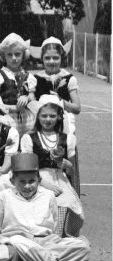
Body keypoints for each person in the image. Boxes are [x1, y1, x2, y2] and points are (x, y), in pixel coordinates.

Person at [0, 153, 94, 261]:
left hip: (45, 242)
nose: (27, 186)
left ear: (39, 180)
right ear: (13, 181)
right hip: (17, 244)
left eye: (32, 181)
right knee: (15, 240)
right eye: (22, 181)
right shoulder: (4, 196)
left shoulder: (48, 195)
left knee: (83, 249)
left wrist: (44, 244)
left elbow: (53, 223)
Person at [19, 95, 83, 237]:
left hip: (60, 179)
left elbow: (72, 173)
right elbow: (27, 168)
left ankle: (59, 238)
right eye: (44, 116)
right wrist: (46, 184)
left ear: (59, 117)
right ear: (38, 117)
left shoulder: (68, 139)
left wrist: (68, 166)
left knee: (65, 202)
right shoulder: (29, 138)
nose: (48, 119)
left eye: (52, 116)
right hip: (36, 178)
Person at [0, 33, 36, 137]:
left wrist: (27, 97)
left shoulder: (28, 76)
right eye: (9, 55)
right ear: (3, 56)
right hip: (7, 118)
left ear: (23, 55)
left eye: (17, 54)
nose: (14, 58)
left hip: (26, 120)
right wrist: (13, 108)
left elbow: (32, 99)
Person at [31, 37, 80, 136]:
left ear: (62, 58)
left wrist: (60, 101)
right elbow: (32, 105)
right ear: (42, 59)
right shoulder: (35, 79)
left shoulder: (69, 78)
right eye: (47, 58)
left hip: (64, 126)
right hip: (42, 126)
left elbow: (77, 108)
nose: (52, 61)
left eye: (56, 58)